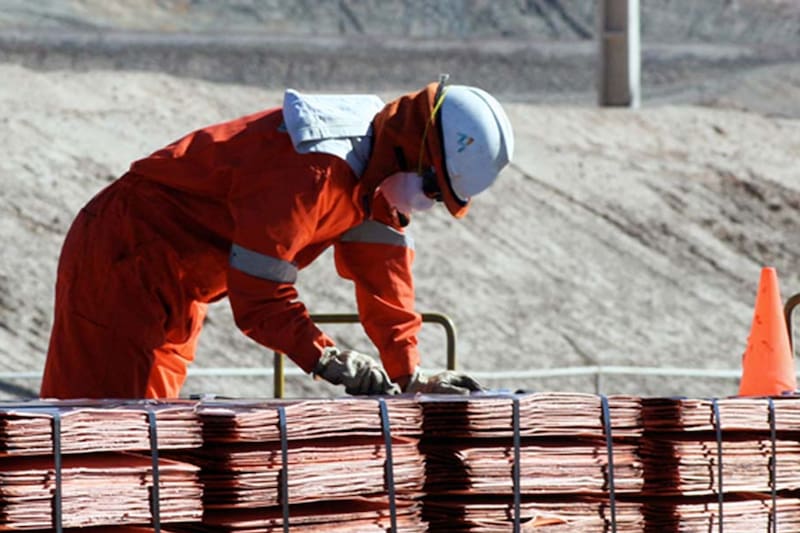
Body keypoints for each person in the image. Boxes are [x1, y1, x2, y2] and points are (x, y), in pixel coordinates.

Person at [40, 76, 514, 399]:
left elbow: (386, 285)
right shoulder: (314, 170)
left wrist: (409, 375)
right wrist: (325, 356)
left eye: (441, 198)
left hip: (180, 282)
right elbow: (258, 297)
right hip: (124, 254)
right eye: (433, 189)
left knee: (144, 438)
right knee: (97, 438)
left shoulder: (377, 182)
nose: (428, 203)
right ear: (414, 152)